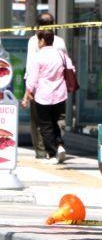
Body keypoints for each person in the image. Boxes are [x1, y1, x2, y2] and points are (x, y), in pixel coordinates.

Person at [21, 30, 74, 164]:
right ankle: (60, 144)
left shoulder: (38, 56)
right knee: (58, 121)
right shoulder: (61, 54)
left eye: (39, 41)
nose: (38, 43)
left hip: (43, 95)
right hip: (60, 94)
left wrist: (26, 96)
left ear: (42, 41)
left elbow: (32, 79)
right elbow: (71, 69)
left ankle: (52, 153)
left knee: (45, 125)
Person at [25, 12, 66, 159]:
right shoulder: (60, 41)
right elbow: (66, 65)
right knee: (57, 119)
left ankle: (43, 152)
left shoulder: (34, 41)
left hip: (39, 88)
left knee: (39, 121)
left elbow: (31, 66)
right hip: (59, 89)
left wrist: (28, 90)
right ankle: (58, 145)